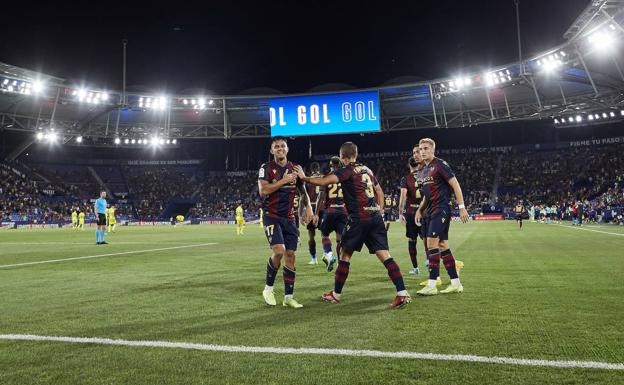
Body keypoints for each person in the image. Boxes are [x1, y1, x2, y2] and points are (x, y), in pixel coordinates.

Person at [295, 142, 411, 309]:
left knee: (344, 254)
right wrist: (380, 212)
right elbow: (379, 192)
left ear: (343, 157)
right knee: (385, 255)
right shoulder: (368, 170)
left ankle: (335, 295)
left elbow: (325, 181)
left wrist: (304, 177)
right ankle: (402, 293)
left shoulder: (347, 170)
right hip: (375, 217)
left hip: (358, 219)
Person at [258, 136, 313, 309]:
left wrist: (309, 208)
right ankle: (268, 289)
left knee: (290, 255)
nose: (280, 149)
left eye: (283, 146)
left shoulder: (296, 169)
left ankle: (288, 297)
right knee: (279, 251)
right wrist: (284, 181)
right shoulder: (266, 168)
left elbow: (303, 192)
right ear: (271, 150)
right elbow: (263, 190)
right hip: (271, 215)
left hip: (289, 218)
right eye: (276, 146)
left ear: (287, 149)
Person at [415, 138, 469, 295]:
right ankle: (456, 283)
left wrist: (462, 207)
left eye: (425, 148)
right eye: (420, 149)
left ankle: (432, 285)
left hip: (441, 209)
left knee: (431, 244)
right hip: (431, 210)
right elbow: (426, 195)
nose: (422, 151)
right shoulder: (423, 170)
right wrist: (420, 210)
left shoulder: (440, 165)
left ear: (433, 150)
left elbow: (455, 184)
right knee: (443, 245)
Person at [315, 156, 348, 272]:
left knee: (324, 234)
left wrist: (316, 213)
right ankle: (340, 264)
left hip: (330, 211)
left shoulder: (327, 177)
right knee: (340, 240)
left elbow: (321, 196)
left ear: (331, 165)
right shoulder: (345, 177)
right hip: (343, 212)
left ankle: (329, 254)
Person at [399, 152, 424, 275]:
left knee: (412, 240)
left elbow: (403, 197)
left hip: (411, 212)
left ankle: (415, 268)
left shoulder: (405, 179)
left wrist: (400, 213)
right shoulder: (425, 176)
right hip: (424, 212)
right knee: (427, 239)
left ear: (409, 165)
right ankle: (430, 262)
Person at [305, 162, 323, 265]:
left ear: (311, 169)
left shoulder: (308, 180)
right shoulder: (323, 178)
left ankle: (314, 259)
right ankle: (327, 254)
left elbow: (304, 196)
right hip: (322, 208)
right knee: (325, 234)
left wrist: (303, 211)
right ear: (319, 168)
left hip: (311, 208)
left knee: (311, 236)